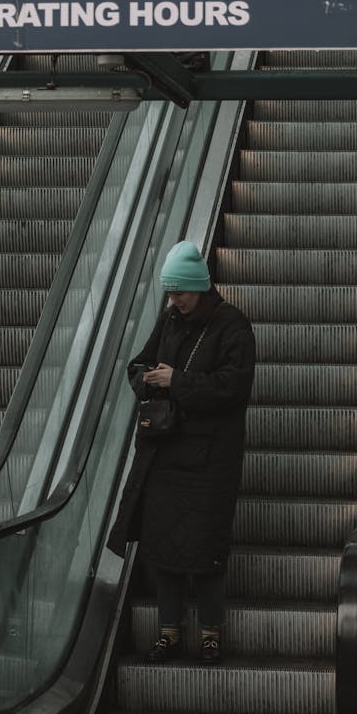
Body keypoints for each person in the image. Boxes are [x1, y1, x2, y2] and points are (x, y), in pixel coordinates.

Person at [107, 241, 256, 665]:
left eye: (181, 293)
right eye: (170, 294)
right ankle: (168, 632)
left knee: (207, 552)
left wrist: (178, 381)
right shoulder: (170, 320)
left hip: (210, 462)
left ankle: (211, 634)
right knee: (162, 551)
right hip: (164, 455)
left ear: (200, 287)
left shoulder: (233, 327)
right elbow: (137, 364)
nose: (174, 301)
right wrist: (147, 379)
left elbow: (234, 387)